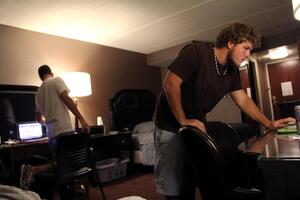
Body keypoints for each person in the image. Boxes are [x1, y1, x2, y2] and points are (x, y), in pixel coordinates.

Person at [153, 23, 295, 200]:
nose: (248, 55)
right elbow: (170, 83)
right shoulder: (197, 52)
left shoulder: (232, 71)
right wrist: (182, 120)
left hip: (195, 128)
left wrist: (269, 123)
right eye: (246, 48)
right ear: (230, 43)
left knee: (191, 179)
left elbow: (242, 99)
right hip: (170, 125)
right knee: (175, 187)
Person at [20, 65, 90, 190]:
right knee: (71, 163)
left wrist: (48, 123)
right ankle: (35, 170)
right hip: (64, 131)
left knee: (61, 166)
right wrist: (81, 119)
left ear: (40, 77)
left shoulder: (39, 93)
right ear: (51, 73)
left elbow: (38, 119)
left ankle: (35, 170)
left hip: (51, 134)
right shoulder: (56, 81)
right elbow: (67, 99)